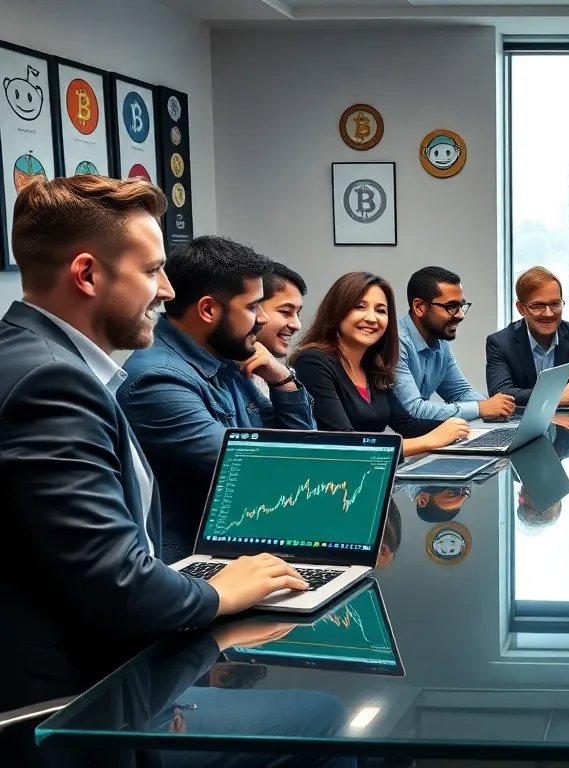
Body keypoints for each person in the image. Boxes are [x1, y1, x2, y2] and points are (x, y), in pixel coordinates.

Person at [0, 176, 307, 768]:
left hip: (87, 662)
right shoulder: (52, 383)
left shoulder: (31, 356)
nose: (168, 291)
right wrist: (218, 592)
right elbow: (119, 583)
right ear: (88, 275)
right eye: (153, 271)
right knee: (327, 717)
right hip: (72, 709)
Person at [120, 236, 317, 563]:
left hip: (248, 547)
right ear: (208, 309)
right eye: (253, 307)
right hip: (190, 568)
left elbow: (302, 449)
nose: (263, 319)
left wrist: (281, 379)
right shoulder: (157, 380)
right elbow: (260, 474)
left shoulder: (226, 359)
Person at [292, 272, 470, 457]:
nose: (372, 318)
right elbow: (345, 445)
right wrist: (430, 441)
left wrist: (461, 430)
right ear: (337, 311)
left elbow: (407, 425)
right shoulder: (312, 362)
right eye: (360, 307)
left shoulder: (372, 366)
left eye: (380, 311)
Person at [392, 266, 515, 422]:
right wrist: (480, 409)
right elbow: (413, 410)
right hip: (393, 442)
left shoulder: (439, 341)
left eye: (461, 306)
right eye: (451, 307)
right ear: (419, 307)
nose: (461, 315)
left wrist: (495, 407)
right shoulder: (396, 343)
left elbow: (461, 393)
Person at [486, 266, 569, 406]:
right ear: (521, 309)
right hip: (521, 425)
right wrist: (553, 396)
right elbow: (500, 394)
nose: (548, 313)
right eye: (538, 306)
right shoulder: (500, 343)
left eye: (555, 304)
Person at [252, 261, 306, 395]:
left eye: (297, 313)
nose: (297, 325)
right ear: (253, 307)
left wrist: (284, 380)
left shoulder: (272, 371)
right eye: (285, 312)